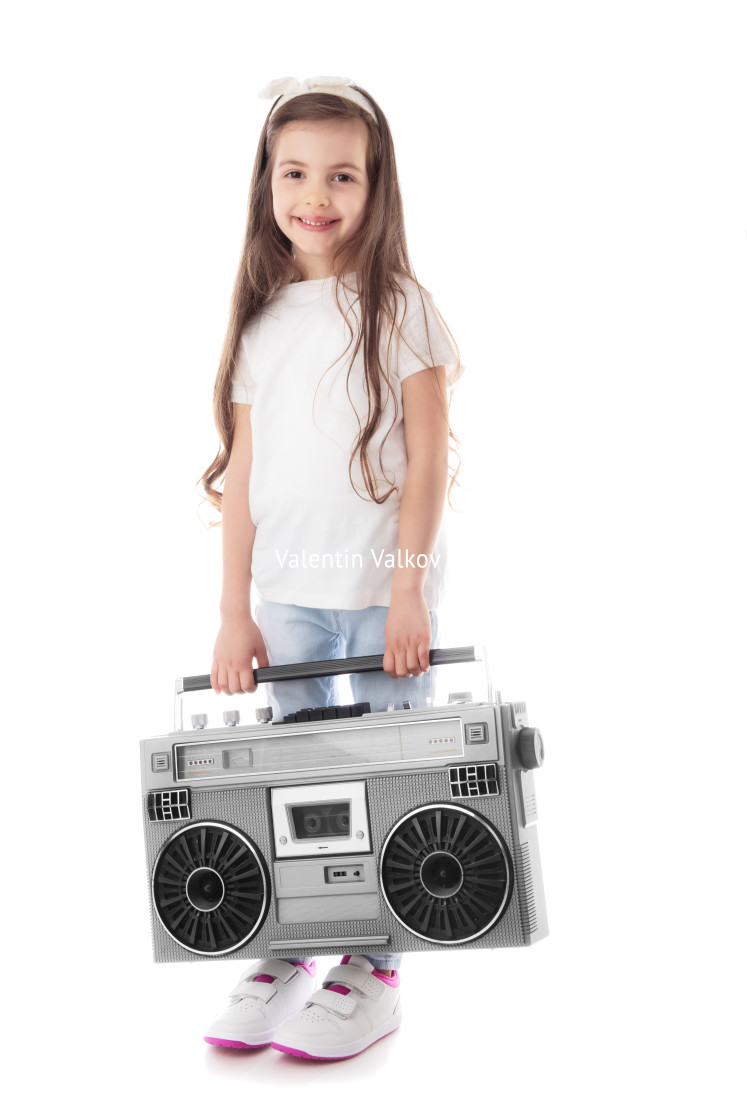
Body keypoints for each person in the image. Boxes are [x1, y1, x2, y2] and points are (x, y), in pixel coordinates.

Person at [199, 75, 463, 1061]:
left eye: (341, 174)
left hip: (381, 597)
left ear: (376, 186)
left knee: (392, 778)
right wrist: (236, 611)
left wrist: (407, 588)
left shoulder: (402, 308)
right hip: (292, 600)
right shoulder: (262, 326)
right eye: (295, 172)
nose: (316, 195)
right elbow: (246, 483)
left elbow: (430, 461)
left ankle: (374, 968)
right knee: (301, 781)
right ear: (267, 183)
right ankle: (292, 948)